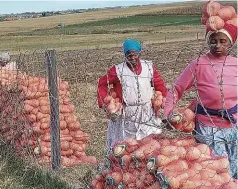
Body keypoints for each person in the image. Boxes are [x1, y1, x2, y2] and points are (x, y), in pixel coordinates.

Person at [164, 23, 238, 179]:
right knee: (218, 173)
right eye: (213, 41)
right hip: (208, 127)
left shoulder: (236, 63)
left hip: (234, 126)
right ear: (207, 42)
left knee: (235, 168)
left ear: (231, 43)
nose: (217, 45)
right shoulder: (199, 63)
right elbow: (177, 88)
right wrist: (168, 112)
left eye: (223, 41)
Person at [97, 39, 168, 150]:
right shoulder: (118, 70)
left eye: (135, 55)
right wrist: (105, 103)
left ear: (140, 53)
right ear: (125, 55)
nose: (133, 58)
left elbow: (159, 84)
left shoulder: (149, 67)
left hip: (147, 111)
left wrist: (164, 101)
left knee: (150, 143)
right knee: (126, 146)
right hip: (127, 112)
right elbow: (102, 84)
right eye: (129, 55)